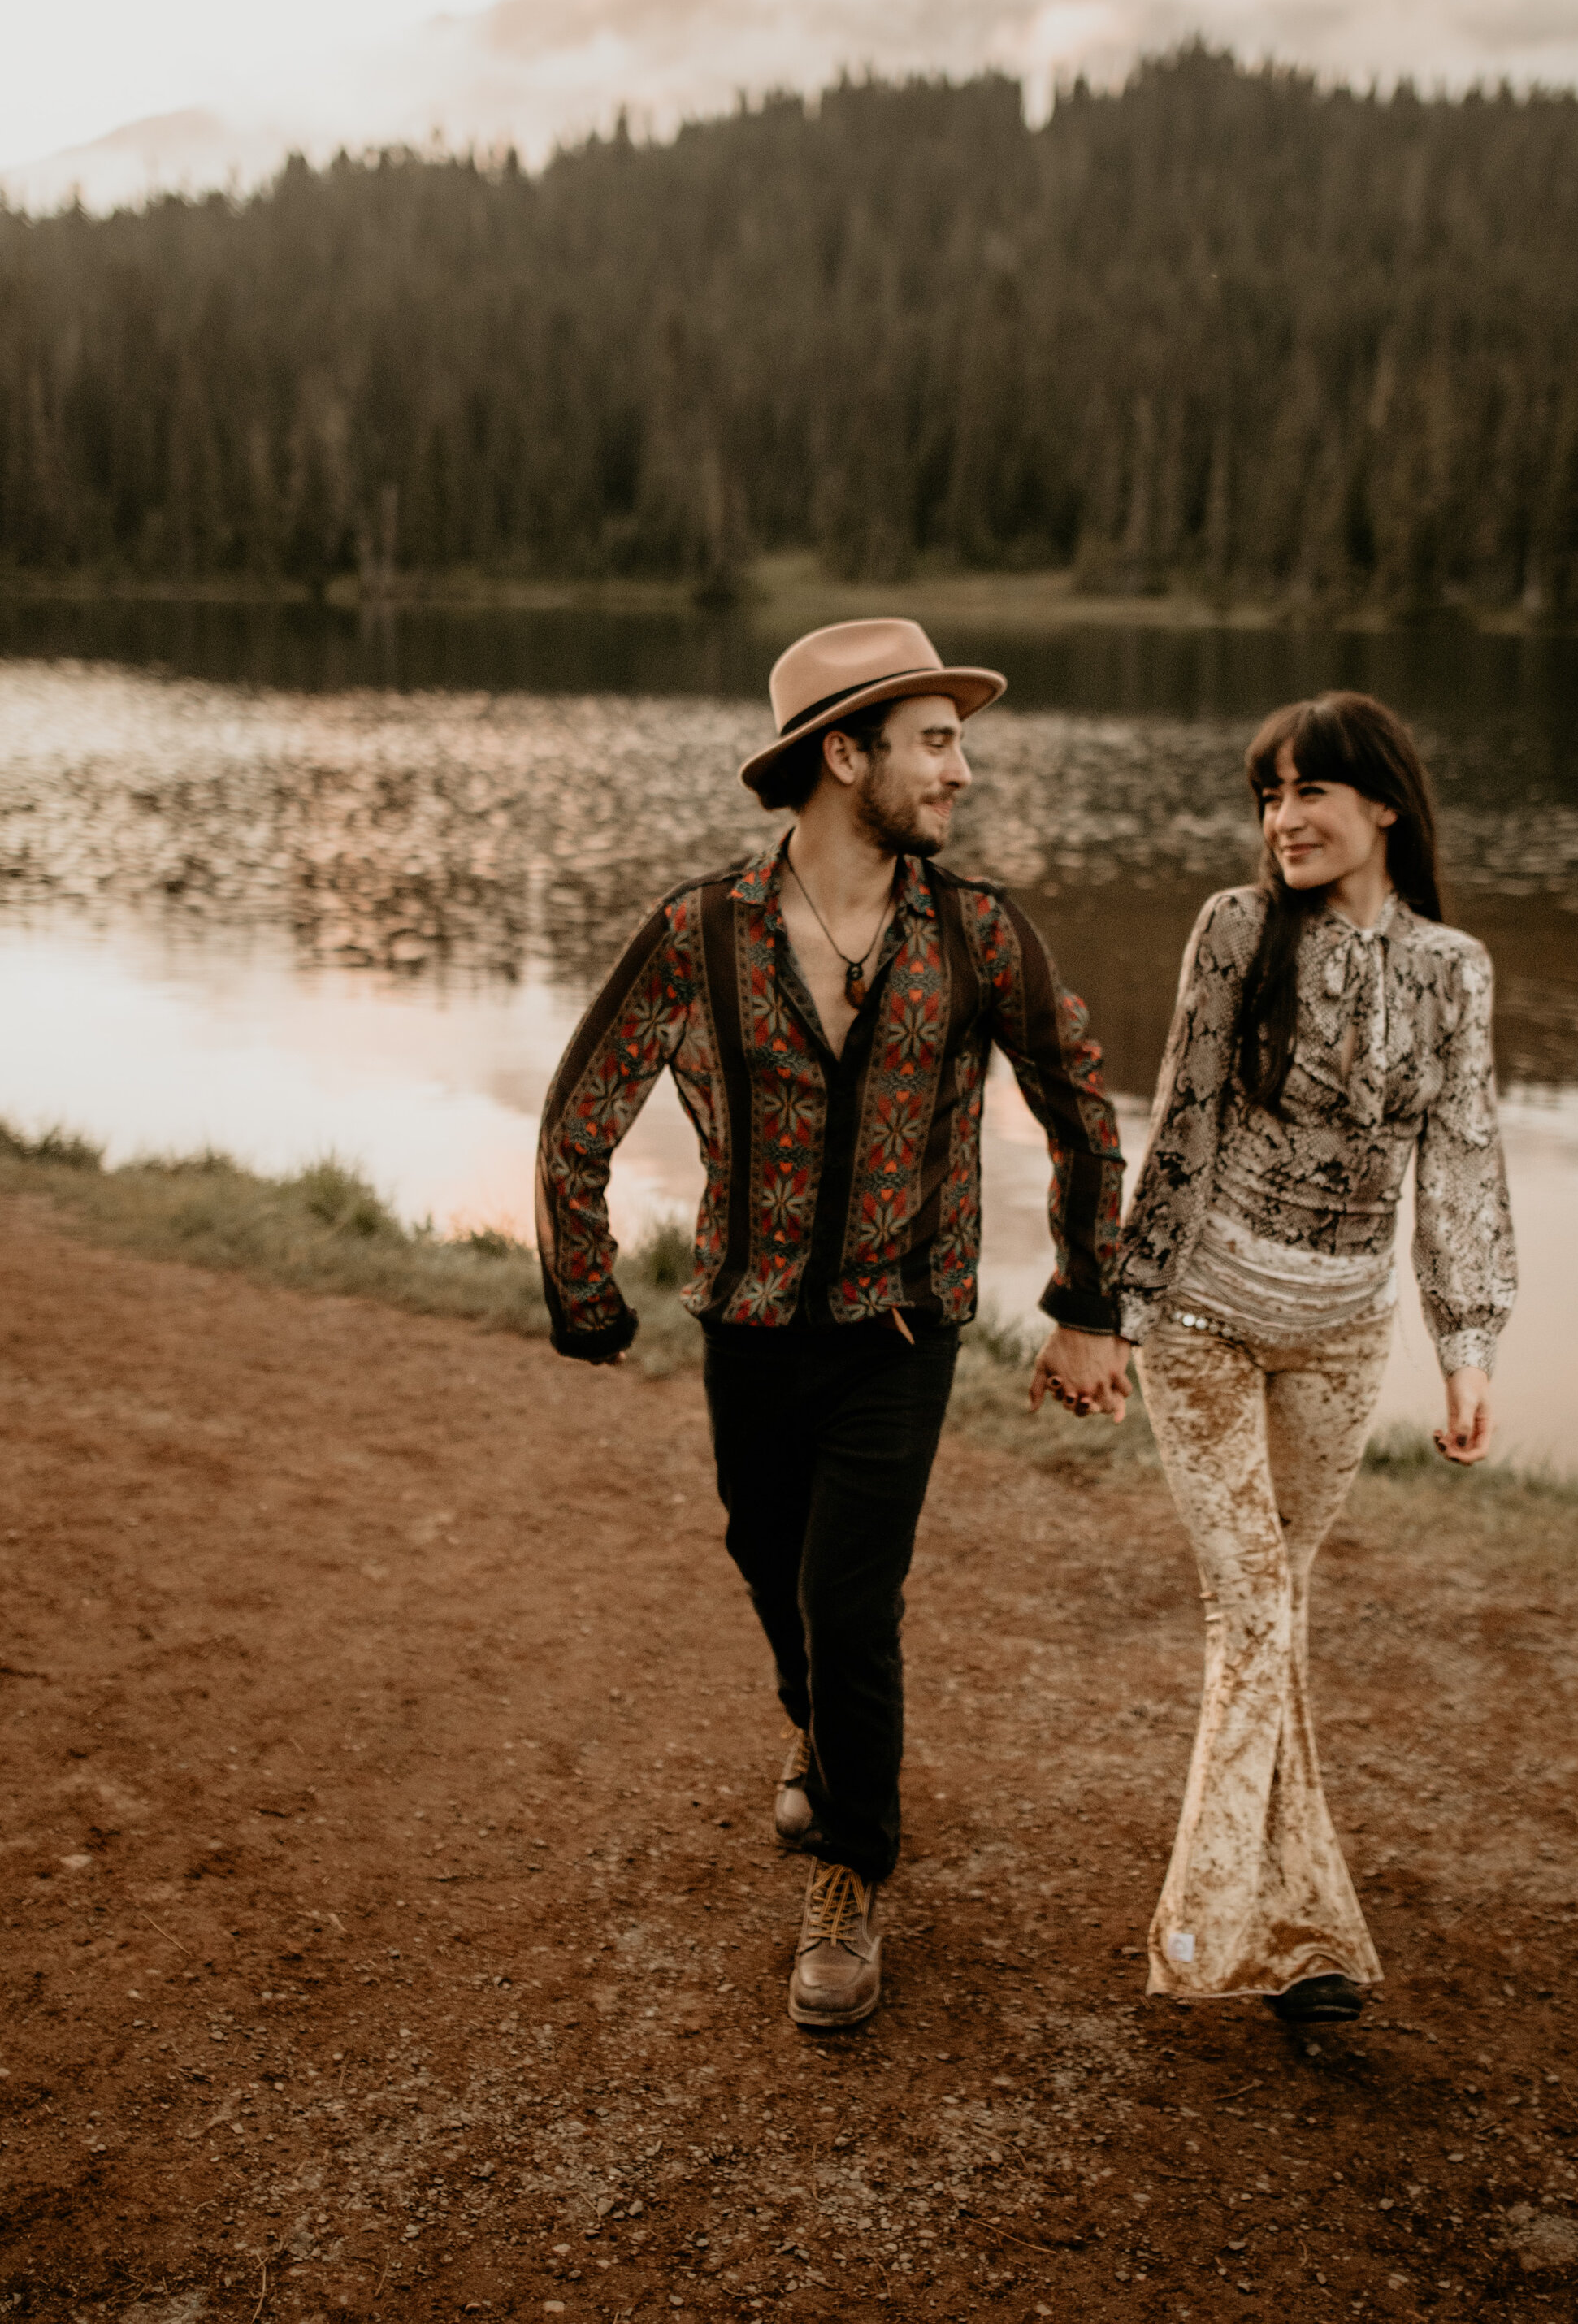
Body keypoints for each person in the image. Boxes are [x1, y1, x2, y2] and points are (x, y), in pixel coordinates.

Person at [534, 618, 1129, 2031]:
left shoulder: (980, 933)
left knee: (852, 1602)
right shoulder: (700, 931)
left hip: (900, 1333)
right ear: (844, 755)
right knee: (768, 1559)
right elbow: (579, 1115)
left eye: (957, 744)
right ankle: (816, 1729)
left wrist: (1088, 1303)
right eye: (935, 742)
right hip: (747, 1327)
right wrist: (589, 1295)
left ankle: (853, 1870)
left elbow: (1083, 1108)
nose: (961, 771)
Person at [1114, 688, 1515, 2024]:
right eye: (1268, 796)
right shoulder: (1237, 931)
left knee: (1283, 1607)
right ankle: (1208, 1925)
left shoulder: (1453, 969)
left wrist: (1468, 1345)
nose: (1283, 817)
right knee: (1252, 1611)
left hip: (1346, 1332)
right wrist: (1120, 1309)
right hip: (1208, 1321)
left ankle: (1305, 1933)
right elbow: (1180, 1120)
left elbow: (1462, 1155)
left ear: (1383, 802)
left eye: (1309, 790)